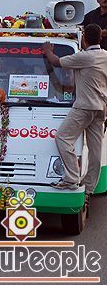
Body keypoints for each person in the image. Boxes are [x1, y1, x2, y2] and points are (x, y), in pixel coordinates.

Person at [42, 24, 107, 214]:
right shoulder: (105, 55)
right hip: (101, 108)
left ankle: (71, 178)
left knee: (63, 138)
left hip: (84, 107)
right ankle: (89, 188)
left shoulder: (84, 57)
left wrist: (47, 50)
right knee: (95, 150)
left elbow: (56, 62)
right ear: (100, 39)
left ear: (84, 39)